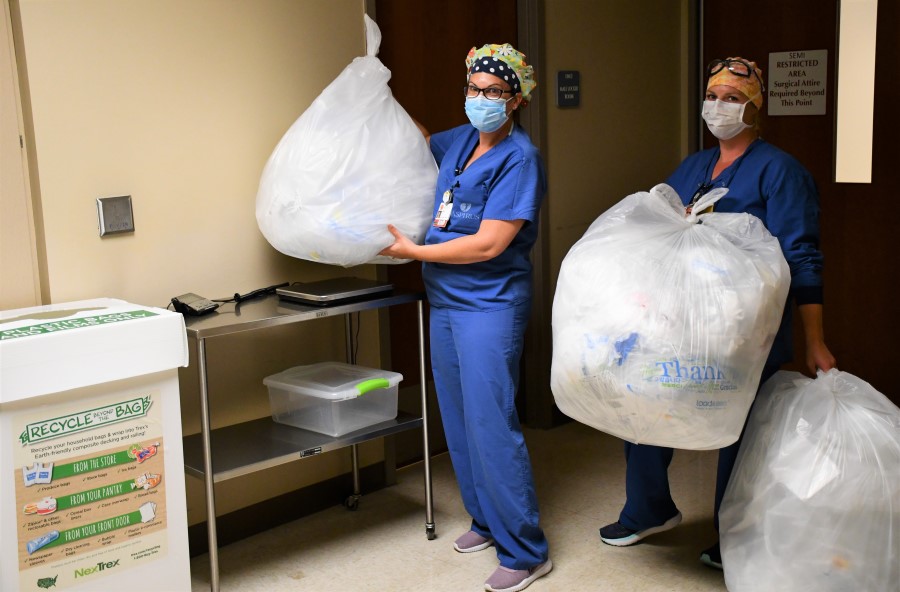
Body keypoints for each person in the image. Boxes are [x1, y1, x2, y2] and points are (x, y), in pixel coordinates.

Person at [597, 57, 837, 569]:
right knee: (647, 406)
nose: (719, 106)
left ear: (755, 107)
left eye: (733, 98)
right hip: (683, 324)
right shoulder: (694, 167)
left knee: (739, 432)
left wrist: (814, 339)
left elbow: (803, 256)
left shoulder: (781, 171)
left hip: (748, 330)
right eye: (713, 96)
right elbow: (664, 230)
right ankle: (648, 509)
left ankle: (733, 532)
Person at [379, 43, 552, 592]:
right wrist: (372, 88)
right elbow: (417, 138)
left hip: (490, 304)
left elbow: (488, 245)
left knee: (490, 422)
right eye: (474, 89)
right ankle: (485, 520)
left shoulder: (519, 158)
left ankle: (524, 550)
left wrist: (415, 253)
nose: (481, 99)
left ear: (517, 99)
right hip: (447, 303)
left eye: (494, 92)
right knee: (456, 417)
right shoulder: (458, 143)